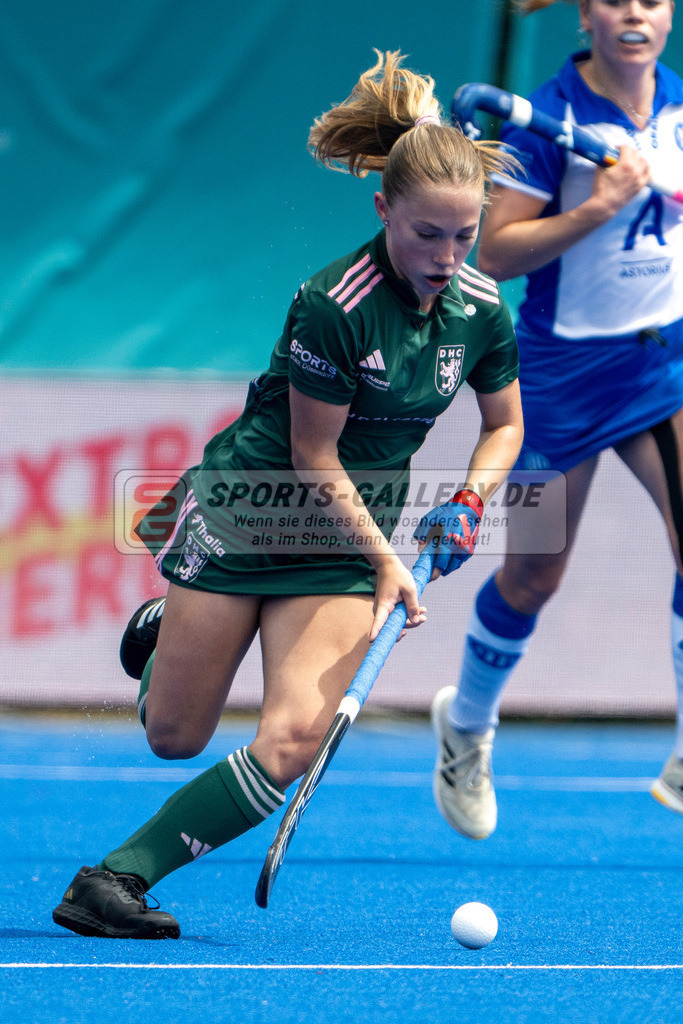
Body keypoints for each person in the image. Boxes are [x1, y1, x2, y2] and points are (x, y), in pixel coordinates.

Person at [52, 50, 524, 939]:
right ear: (384, 209)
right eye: (427, 233)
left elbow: (505, 424)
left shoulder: (478, 306)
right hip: (249, 511)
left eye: (464, 235)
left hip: (345, 545)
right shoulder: (333, 305)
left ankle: (113, 880)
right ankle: (166, 632)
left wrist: (468, 500)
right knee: (174, 735)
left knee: (293, 739)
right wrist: (393, 561)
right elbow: (313, 454)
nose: (446, 256)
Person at [432, 0, 683, 843]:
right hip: (558, 380)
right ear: (587, 13)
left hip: (661, 369)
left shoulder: (679, 105)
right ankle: (466, 726)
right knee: (533, 578)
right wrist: (598, 206)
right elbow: (494, 253)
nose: (635, 14)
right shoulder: (551, 118)